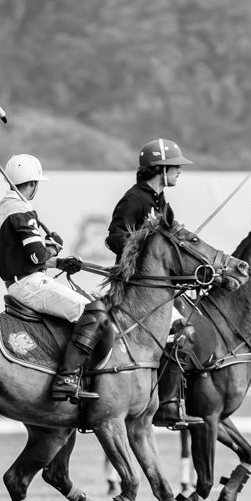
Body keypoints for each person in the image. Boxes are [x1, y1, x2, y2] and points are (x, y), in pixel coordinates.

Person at [0, 154, 107, 402]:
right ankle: (67, 377)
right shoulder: (22, 210)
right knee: (93, 312)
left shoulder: (1, 208)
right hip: (29, 284)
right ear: (31, 184)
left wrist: (58, 262)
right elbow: (36, 255)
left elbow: (24, 258)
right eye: (36, 184)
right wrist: (53, 248)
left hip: (19, 281)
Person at [106, 138, 202, 429]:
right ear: (160, 170)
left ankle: (168, 402)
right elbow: (114, 236)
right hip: (136, 288)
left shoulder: (160, 200)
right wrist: (141, 253)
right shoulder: (134, 199)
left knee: (185, 333)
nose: (179, 173)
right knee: (182, 333)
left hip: (157, 289)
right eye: (176, 168)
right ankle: (164, 405)